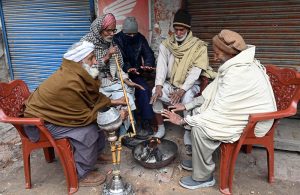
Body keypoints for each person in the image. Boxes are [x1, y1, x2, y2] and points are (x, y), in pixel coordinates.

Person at [161, 29, 277, 189]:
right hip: (246, 112)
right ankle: (199, 162)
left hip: (256, 122)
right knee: (197, 112)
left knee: (200, 128)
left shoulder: (237, 72)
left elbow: (219, 112)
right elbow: (212, 93)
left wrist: (182, 121)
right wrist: (187, 106)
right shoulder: (235, 64)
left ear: (229, 54)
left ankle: (203, 177)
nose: (214, 58)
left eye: (217, 54)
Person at [23, 41, 127, 187]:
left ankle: (95, 155)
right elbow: (84, 117)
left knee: (97, 121)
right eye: (91, 58)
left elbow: (91, 98)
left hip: (51, 115)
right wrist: (116, 117)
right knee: (88, 131)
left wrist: (113, 102)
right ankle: (82, 173)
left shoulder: (75, 73)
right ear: (80, 62)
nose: (95, 61)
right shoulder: (70, 81)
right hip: (39, 124)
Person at [150, 9, 215, 155]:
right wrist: (159, 85)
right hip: (171, 83)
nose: (178, 33)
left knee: (187, 99)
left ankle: (187, 131)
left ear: (188, 29)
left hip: (188, 86)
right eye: (176, 29)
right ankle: (161, 128)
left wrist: (182, 89)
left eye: (182, 30)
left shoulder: (199, 46)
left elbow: (196, 72)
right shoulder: (166, 44)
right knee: (155, 92)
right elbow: (161, 65)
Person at [80, 13, 146, 138]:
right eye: (108, 31)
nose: (112, 34)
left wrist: (126, 80)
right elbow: (87, 73)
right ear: (99, 30)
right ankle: (119, 133)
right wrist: (107, 56)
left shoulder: (109, 43)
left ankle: (124, 134)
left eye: (114, 30)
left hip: (112, 81)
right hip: (95, 85)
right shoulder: (86, 45)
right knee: (117, 102)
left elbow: (118, 67)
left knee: (127, 99)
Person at [113, 17, 156, 137]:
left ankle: (146, 121)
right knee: (125, 97)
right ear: (123, 31)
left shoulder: (140, 38)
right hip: (120, 75)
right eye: (129, 34)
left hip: (136, 74)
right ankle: (130, 126)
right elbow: (119, 60)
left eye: (134, 33)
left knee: (144, 90)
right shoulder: (116, 39)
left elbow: (149, 54)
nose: (132, 36)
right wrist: (127, 68)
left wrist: (148, 65)